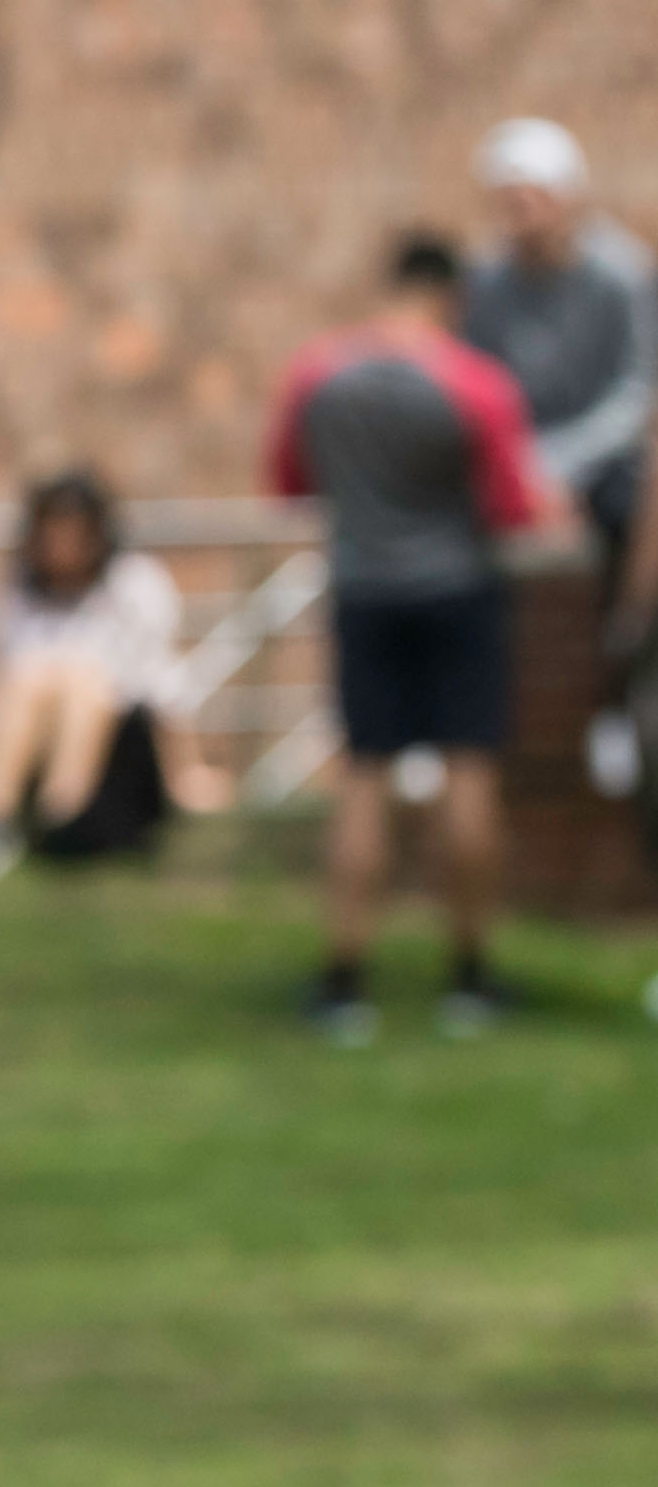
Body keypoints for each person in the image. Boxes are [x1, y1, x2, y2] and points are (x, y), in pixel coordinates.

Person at [262, 233, 545, 1042]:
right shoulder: (477, 384)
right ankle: (470, 976)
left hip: (363, 591)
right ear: (451, 297)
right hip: (459, 591)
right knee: (469, 771)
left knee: (363, 777)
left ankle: (344, 979)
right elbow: (513, 507)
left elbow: (289, 481)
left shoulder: (315, 373)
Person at [451, 120, 656, 797]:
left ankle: (616, 707)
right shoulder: (482, 281)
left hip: (600, 467)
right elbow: (475, 382)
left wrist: (558, 466)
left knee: (634, 543)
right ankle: (450, 724)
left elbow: (634, 391)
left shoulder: (621, 276)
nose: (520, 213)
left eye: (531, 196)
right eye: (507, 198)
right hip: (510, 464)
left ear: (565, 197)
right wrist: (520, 466)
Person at [0, 471, 211, 873]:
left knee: (82, 681)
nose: (60, 547)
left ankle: (62, 812)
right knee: (30, 678)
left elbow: (165, 684)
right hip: (47, 728)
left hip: (124, 749)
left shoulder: (136, 583)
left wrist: (185, 771)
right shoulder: (22, 588)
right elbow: (14, 674)